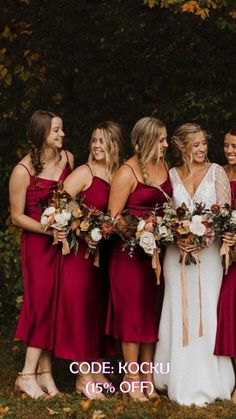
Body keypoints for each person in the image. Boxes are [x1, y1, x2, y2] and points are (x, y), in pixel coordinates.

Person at [153, 122, 235, 406]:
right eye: (196, 144)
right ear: (182, 147)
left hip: (209, 255)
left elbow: (225, 215)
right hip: (176, 255)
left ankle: (211, 380)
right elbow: (166, 214)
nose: (202, 149)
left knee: (207, 308)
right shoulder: (171, 175)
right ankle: (175, 376)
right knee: (177, 308)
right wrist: (177, 237)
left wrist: (204, 238)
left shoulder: (218, 173)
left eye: (204, 143)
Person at [54, 121, 123, 399]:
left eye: (102, 141)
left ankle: (97, 370)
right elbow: (58, 205)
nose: (96, 145)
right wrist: (81, 230)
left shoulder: (117, 173)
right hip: (80, 256)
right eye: (94, 140)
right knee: (81, 311)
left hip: (104, 256)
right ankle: (83, 377)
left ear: (114, 145)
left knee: (97, 310)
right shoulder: (84, 172)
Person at [9, 110, 73, 399]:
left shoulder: (68, 159)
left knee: (55, 303)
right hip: (38, 244)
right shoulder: (22, 171)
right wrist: (48, 231)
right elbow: (16, 217)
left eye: (61, 129)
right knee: (41, 305)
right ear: (41, 134)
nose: (61, 134)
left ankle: (45, 375)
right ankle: (26, 374)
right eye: (55, 130)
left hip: (63, 243)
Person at [106, 116, 171, 402]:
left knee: (151, 314)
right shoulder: (127, 173)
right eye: (162, 139)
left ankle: (147, 376)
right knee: (132, 316)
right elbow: (114, 217)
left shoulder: (164, 166)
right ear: (146, 141)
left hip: (157, 258)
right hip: (130, 257)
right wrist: (142, 233)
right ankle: (131, 379)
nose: (167, 144)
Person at [214, 127, 236, 401]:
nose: (229, 151)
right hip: (220, 252)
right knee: (226, 312)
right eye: (227, 145)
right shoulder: (219, 172)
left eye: (234, 146)